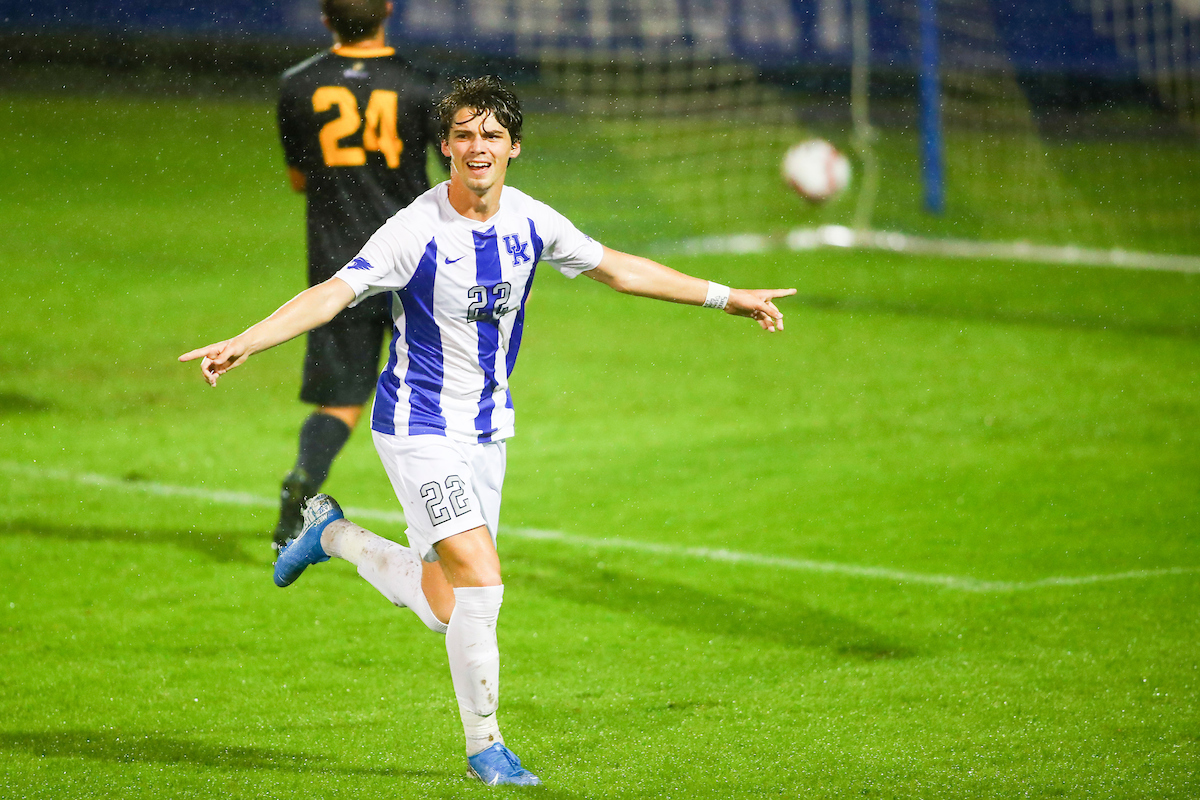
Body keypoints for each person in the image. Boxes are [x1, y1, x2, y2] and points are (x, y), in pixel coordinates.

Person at [180, 76, 796, 787]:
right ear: (445, 146)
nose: (478, 147)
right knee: (482, 579)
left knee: (448, 610)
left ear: (515, 147)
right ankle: (486, 749)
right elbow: (335, 292)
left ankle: (332, 535)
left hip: (486, 431)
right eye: (465, 135)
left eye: (492, 135)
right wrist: (248, 340)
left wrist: (729, 298)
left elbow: (618, 270)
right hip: (417, 425)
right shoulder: (416, 228)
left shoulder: (532, 222)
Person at [272, 0, 443, 551]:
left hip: (337, 267)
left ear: (325, 19)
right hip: (413, 262)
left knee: (341, 398)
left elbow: (300, 179)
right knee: (432, 393)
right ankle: (442, 516)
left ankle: (303, 482)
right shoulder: (420, 85)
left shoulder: (297, 85)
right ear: (388, 11)